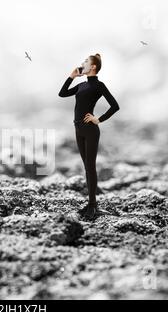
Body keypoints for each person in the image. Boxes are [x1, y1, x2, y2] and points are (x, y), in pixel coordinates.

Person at [58, 53, 120, 219]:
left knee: (90, 166)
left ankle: (93, 205)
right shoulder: (81, 85)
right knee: (86, 166)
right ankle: (90, 203)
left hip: (91, 130)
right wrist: (71, 77)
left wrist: (98, 119)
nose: (82, 64)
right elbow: (62, 93)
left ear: (93, 66)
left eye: (86, 61)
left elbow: (115, 106)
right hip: (78, 129)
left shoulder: (99, 85)